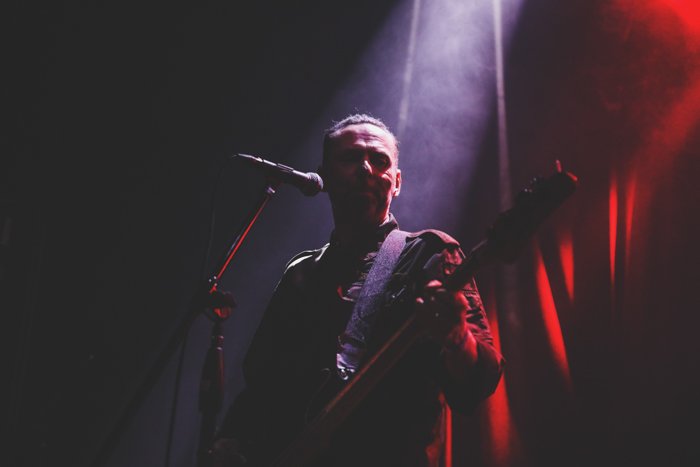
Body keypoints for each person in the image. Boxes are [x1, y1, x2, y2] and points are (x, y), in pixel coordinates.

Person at [211, 114, 505, 467]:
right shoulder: (301, 272)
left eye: (379, 161)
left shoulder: (429, 254)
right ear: (325, 176)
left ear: (396, 182)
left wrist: (457, 337)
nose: (366, 168)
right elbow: (261, 384)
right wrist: (230, 442)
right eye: (350, 158)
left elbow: (478, 382)